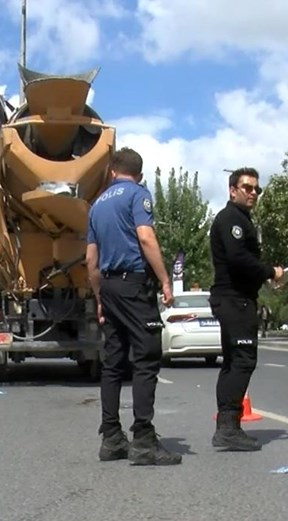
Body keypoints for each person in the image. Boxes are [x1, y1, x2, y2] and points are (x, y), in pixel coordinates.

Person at [86, 147, 180, 466]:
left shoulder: (96, 205)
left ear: (112, 171)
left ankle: (111, 438)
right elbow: (146, 238)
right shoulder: (138, 194)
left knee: (113, 362)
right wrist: (165, 280)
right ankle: (143, 439)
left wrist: (100, 298)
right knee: (146, 356)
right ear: (138, 174)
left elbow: (91, 260)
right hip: (133, 284)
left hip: (110, 287)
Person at [208, 167, 286, 451]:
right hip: (234, 299)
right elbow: (238, 258)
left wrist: (264, 279)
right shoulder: (231, 219)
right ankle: (228, 427)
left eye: (256, 189)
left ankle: (228, 426)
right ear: (232, 190)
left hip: (237, 298)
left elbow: (241, 263)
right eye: (247, 187)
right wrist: (270, 271)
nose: (253, 192)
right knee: (241, 361)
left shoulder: (242, 219)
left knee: (234, 362)